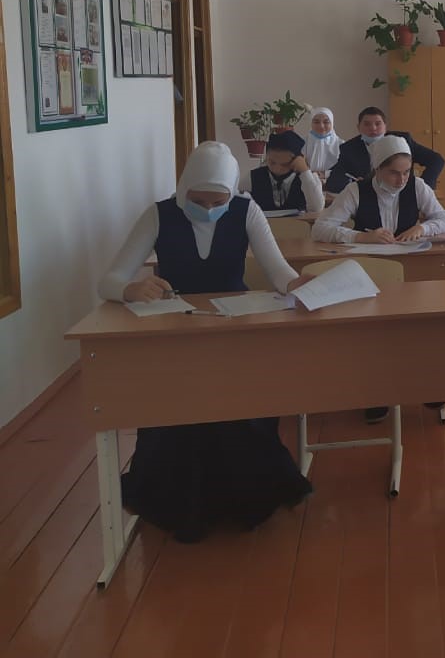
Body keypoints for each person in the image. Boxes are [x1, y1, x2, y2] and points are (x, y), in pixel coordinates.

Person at [98, 141, 314, 543]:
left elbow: (278, 270)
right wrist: (131, 289)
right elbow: (109, 280)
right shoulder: (159, 214)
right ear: (184, 190)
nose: (209, 209)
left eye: (219, 201)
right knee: (181, 412)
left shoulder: (246, 210)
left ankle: (245, 498)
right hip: (176, 333)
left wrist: (296, 284)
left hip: (234, 331)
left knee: (241, 408)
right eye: (199, 201)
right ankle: (183, 502)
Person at [314, 134, 445, 423]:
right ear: (377, 169)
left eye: (406, 172)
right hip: (370, 271)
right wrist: (360, 236)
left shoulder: (417, 186)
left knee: (420, 329)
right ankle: (377, 393)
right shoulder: (356, 190)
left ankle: (427, 385)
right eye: (393, 173)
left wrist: (422, 228)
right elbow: (321, 228)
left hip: (411, 269)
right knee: (374, 332)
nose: (401, 180)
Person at [324, 106, 445, 193]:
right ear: (358, 127)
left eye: (378, 124)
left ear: (385, 127)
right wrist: (354, 184)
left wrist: (423, 187)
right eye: (367, 124)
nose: (373, 128)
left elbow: (436, 160)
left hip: (401, 194)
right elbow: (334, 182)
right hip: (368, 199)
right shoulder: (349, 148)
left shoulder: (402, 141)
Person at [245, 130, 324, 214]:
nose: (277, 169)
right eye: (272, 162)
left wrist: (305, 171)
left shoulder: (308, 177)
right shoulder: (253, 177)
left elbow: (316, 209)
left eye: (285, 164)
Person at [302, 106, 342, 179]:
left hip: (334, 181)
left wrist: (325, 174)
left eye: (326, 122)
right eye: (316, 122)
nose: (321, 126)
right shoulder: (302, 143)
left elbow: (346, 169)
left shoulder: (342, 145)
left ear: (332, 123)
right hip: (307, 180)